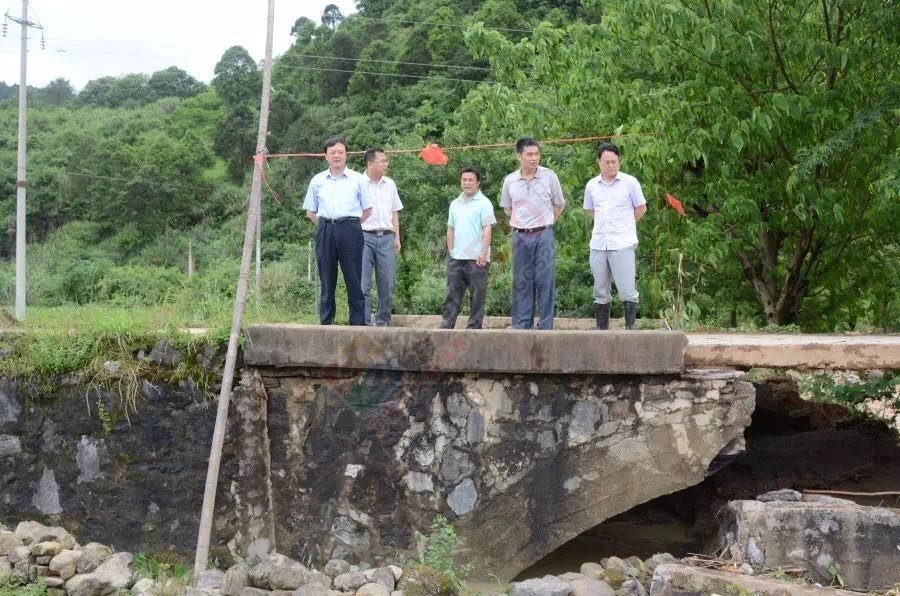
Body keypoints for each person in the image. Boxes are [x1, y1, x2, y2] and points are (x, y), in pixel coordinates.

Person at [303, 137, 373, 325]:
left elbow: (367, 210)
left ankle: (358, 322)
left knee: (354, 277)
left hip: (351, 229)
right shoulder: (317, 180)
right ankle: (326, 322)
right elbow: (311, 212)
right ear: (325, 156)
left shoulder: (358, 179)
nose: (336, 156)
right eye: (332, 152)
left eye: (340, 152)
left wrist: (350, 225)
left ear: (346, 155)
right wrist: (326, 226)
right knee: (327, 279)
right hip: (325, 229)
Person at [500, 138, 566, 330]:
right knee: (521, 281)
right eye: (529, 154)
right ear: (519, 156)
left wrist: (546, 222)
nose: (534, 158)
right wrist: (523, 223)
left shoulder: (549, 176)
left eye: (537, 154)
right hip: (520, 236)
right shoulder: (510, 180)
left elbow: (559, 204)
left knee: (545, 280)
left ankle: (545, 324)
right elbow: (507, 208)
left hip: (543, 234)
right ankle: (522, 324)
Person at [583, 142, 647, 330]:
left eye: (614, 161)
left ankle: (630, 329)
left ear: (619, 161)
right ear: (599, 162)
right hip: (599, 242)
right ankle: (602, 330)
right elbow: (590, 209)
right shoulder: (592, 185)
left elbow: (641, 208)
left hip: (622, 242)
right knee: (600, 289)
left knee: (627, 290)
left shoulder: (630, 182)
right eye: (607, 162)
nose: (611, 165)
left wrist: (626, 223)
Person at [440, 167, 496, 329]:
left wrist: (483, 252)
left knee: (477, 294)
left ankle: (474, 327)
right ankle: (447, 325)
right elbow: (450, 229)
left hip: (477, 258)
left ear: (477, 183)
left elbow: (487, 229)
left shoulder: (484, 203)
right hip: (456, 257)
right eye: (464, 180)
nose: (467, 183)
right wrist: (451, 251)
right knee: (452, 294)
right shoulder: (454, 204)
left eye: (470, 180)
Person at [360, 148, 403, 326]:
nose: (386, 164)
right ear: (370, 164)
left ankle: (382, 321)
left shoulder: (390, 184)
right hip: (363, 237)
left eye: (386, 160)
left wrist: (397, 236)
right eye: (383, 161)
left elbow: (394, 212)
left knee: (387, 283)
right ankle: (362, 322)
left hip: (386, 237)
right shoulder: (358, 183)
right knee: (363, 284)